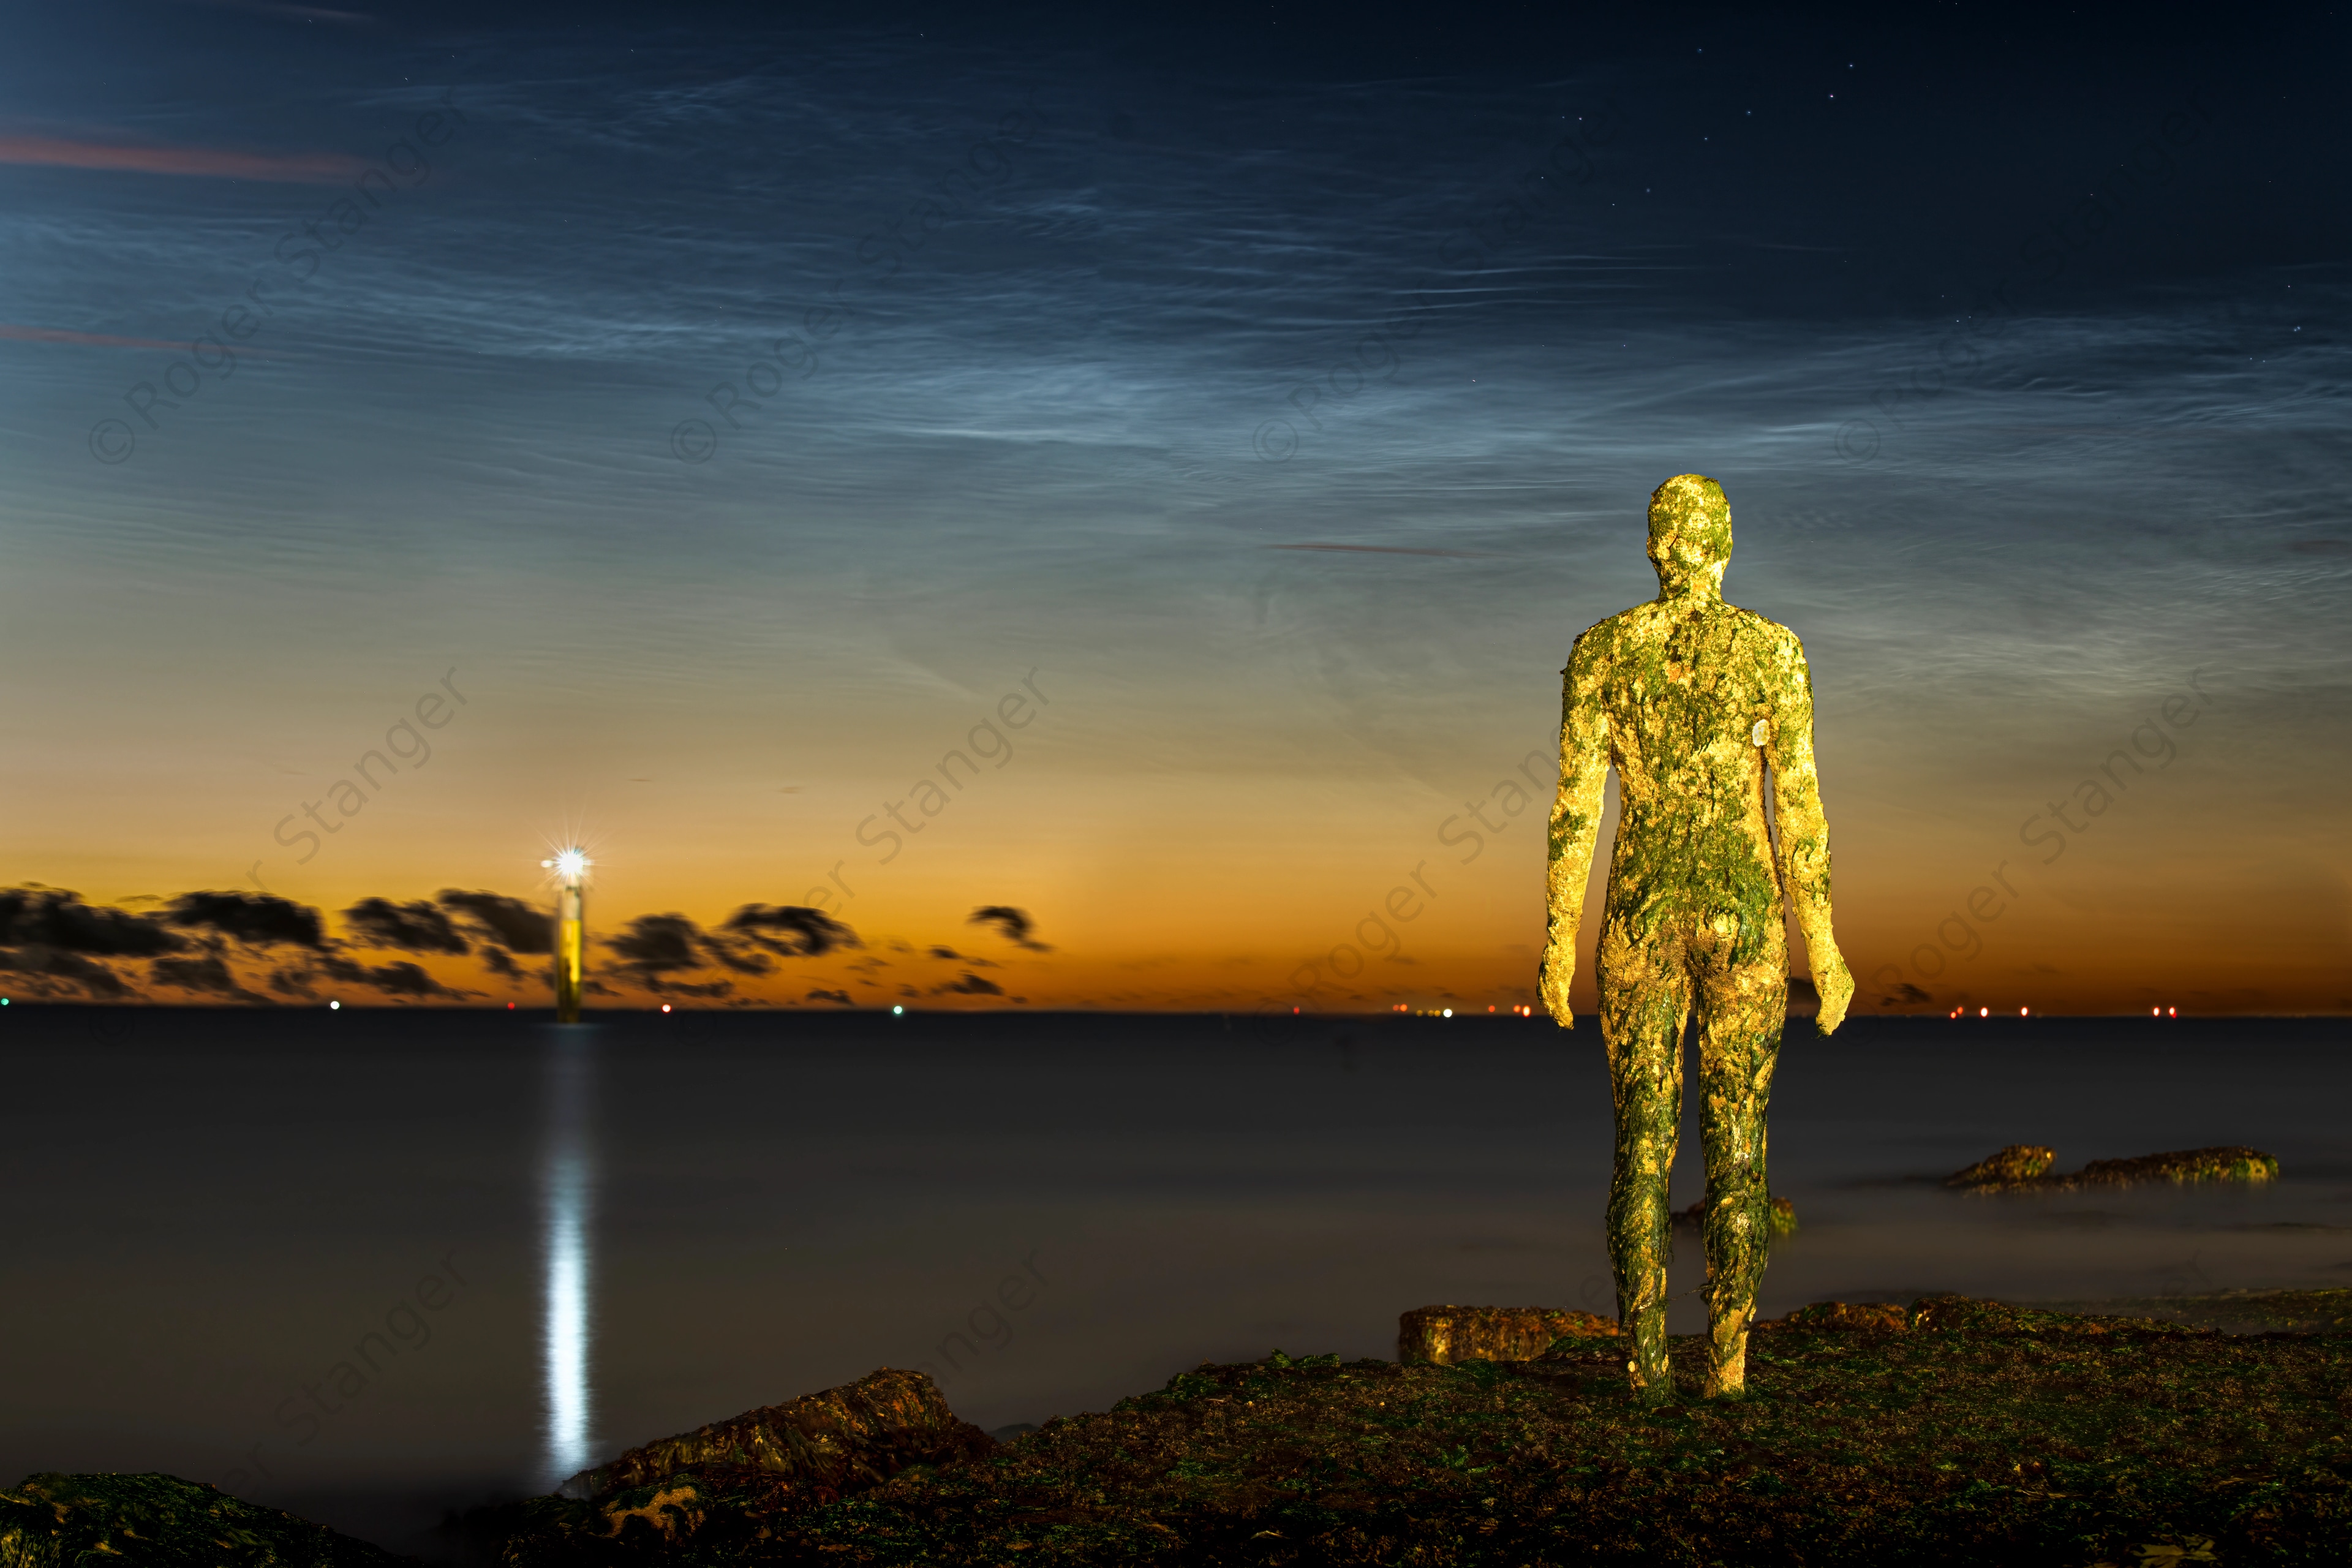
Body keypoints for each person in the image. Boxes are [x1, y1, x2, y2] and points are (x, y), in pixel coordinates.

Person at [1539, 473, 1854, 1401]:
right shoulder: (1773, 651)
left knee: (1641, 1146)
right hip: (1743, 915)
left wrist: (1558, 940)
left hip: (1640, 915)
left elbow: (1573, 815)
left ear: (1654, 546)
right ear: (1722, 546)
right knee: (1741, 1145)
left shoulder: (1602, 651)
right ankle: (1727, 1365)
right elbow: (1798, 810)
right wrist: (1824, 943)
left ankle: (1642, 1366)